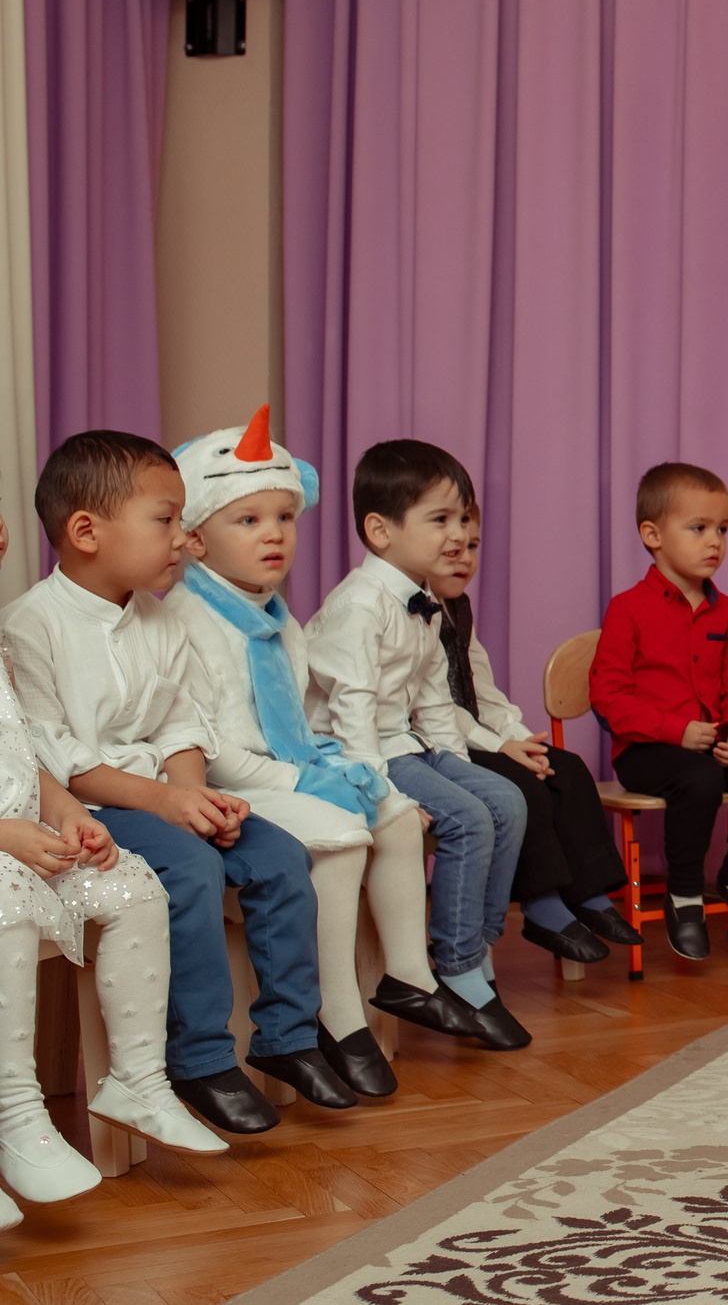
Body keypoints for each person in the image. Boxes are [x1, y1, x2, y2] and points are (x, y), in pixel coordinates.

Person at [2, 430, 354, 1136]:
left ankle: (288, 1035)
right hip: (97, 807)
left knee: (279, 855)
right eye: (166, 520)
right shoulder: (32, 625)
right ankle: (197, 1056)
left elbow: (180, 724)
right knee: (190, 866)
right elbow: (52, 757)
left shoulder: (158, 617)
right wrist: (165, 801)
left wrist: (193, 793)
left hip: (163, 796)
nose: (183, 537)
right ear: (85, 531)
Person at [167, 406, 462, 1100]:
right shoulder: (187, 621)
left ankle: (408, 976)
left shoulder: (275, 614)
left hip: (282, 768)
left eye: (284, 517)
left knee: (392, 808)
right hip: (227, 781)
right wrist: (308, 780)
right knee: (337, 831)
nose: (273, 533)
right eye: (247, 520)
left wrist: (332, 765)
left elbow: (296, 719)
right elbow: (212, 753)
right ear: (198, 541)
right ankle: (336, 1011)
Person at [0, 499, 226, 1227]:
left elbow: (23, 755)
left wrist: (63, 811)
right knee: (7, 905)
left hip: (24, 827)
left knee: (131, 883)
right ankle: (14, 1111)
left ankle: (138, 1077)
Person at [306, 441, 531, 1050]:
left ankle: (474, 949)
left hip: (407, 741)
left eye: (462, 520)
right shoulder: (359, 605)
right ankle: (454, 966)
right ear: (380, 530)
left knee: (505, 802)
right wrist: (383, 793)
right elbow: (350, 713)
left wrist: (458, 771)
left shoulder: (424, 601)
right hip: (355, 753)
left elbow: (434, 701)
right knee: (467, 820)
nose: (458, 534)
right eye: (440, 520)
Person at [590, 462, 728, 961]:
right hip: (647, 749)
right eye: (699, 529)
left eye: (722, 529)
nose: (715, 542)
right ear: (653, 535)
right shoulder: (627, 608)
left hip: (711, 744)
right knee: (699, 779)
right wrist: (676, 731)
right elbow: (608, 696)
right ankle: (683, 894)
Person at [428, 512, 638, 965]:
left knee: (568, 768)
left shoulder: (458, 607)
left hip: (476, 734)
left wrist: (525, 742)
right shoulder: (417, 610)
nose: (465, 559)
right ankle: (541, 908)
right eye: (453, 551)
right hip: (436, 744)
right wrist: (502, 748)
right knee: (522, 786)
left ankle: (589, 894)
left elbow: (484, 692)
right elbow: (432, 710)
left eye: (473, 548)